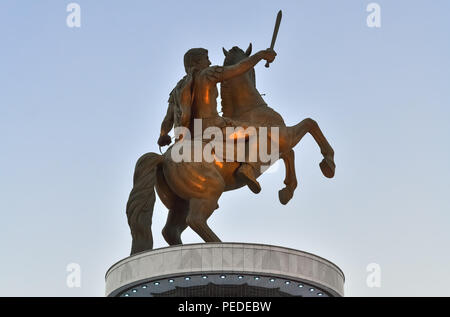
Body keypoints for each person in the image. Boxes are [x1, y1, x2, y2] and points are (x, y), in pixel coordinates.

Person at [158, 47, 276, 193]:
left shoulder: (178, 88)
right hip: (212, 128)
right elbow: (238, 69)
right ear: (197, 62)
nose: (210, 62)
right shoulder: (207, 74)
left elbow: (167, 120)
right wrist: (261, 55)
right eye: (206, 59)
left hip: (185, 139)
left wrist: (163, 135)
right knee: (262, 131)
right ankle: (249, 167)